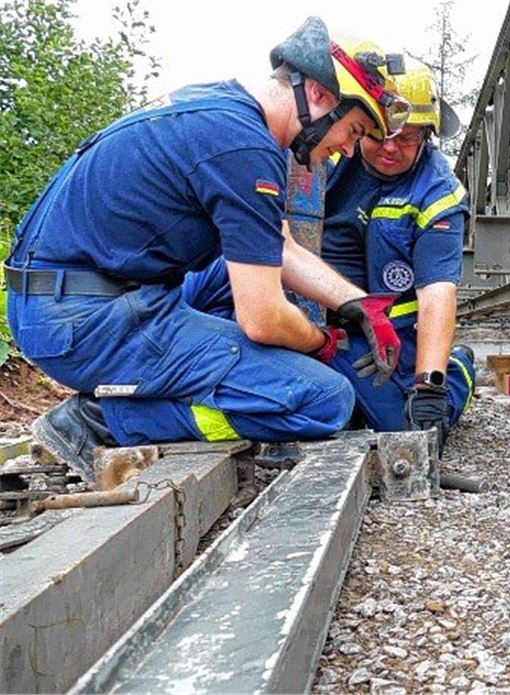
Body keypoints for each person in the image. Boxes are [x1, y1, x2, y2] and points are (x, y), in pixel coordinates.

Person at [5, 17, 408, 482]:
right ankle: (102, 423)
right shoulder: (243, 149)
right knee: (323, 400)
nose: (343, 151)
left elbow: (277, 247)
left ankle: (208, 370)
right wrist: (319, 345)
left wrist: (355, 305)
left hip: (68, 297)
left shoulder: (225, 113)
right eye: (354, 132)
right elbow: (262, 318)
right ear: (319, 95)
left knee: (233, 272)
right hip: (82, 322)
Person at [321, 61, 474, 452]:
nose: (390, 147)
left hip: (390, 340)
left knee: (406, 429)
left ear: (427, 136)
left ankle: (457, 369)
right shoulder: (332, 153)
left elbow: (437, 291)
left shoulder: (438, 194)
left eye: (407, 138)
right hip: (320, 321)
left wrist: (430, 386)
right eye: (380, 134)